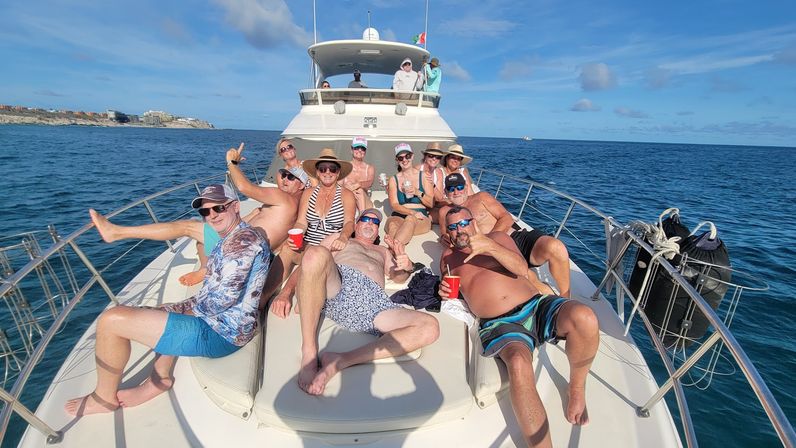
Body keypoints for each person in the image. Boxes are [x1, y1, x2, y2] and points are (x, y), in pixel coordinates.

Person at [65, 184, 271, 416]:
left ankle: (103, 399)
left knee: (112, 320)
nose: (212, 215)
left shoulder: (242, 244)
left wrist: (172, 312)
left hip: (223, 334)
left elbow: (222, 300)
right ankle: (159, 380)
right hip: (224, 322)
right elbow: (214, 297)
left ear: (235, 206)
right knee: (151, 313)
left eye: (219, 208)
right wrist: (170, 311)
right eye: (206, 211)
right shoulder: (234, 234)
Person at [439, 206, 598, 448]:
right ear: (448, 233)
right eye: (453, 226)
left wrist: (490, 248)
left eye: (464, 223)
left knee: (584, 317)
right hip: (500, 323)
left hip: (535, 304)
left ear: (474, 222)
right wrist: (443, 292)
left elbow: (522, 269)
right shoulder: (448, 259)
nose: (460, 229)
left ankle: (576, 389)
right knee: (518, 363)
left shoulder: (498, 239)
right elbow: (452, 291)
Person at [88, 145, 306, 288]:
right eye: (283, 174)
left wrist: (232, 163)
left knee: (187, 226)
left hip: (242, 246)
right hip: (247, 244)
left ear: (302, 185)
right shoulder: (294, 205)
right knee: (203, 236)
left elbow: (243, 186)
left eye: (291, 177)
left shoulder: (281, 198)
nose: (285, 179)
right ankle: (206, 268)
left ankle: (116, 232)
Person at [290, 208, 440, 395]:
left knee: (430, 327)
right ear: (356, 224)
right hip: (339, 285)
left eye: (375, 222)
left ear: (378, 231)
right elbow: (310, 262)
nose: (370, 223)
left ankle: (341, 361)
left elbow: (398, 276)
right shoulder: (343, 240)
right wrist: (285, 292)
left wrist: (406, 267)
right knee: (314, 253)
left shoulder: (383, 251)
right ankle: (309, 351)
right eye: (366, 219)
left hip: (374, 304)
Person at [439, 173, 571, 297]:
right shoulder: (445, 211)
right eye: (451, 189)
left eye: (459, 187)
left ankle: (566, 296)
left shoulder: (481, 197)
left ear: (466, 187)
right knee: (527, 276)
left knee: (555, 247)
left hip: (513, 238)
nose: (456, 192)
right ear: (446, 192)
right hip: (484, 253)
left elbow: (506, 218)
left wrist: (489, 241)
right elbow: (447, 235)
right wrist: (444, 238)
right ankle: (555, 303)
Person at [264, 148, 357, 303]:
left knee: (312, 256)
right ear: (317, 173)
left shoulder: (346, 195)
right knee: (287, 248)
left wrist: (343, 237)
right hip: (309, 244)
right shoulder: (308, 194)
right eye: (323, 169)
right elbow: (301, 221)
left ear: (338, 172)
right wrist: (296, 234)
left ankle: (287, 293)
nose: (328, 172)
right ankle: (262, 300)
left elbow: (349, 223)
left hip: (331, 248)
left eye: (332, 169)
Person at [385, 143, 433, 245]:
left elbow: (431, 203)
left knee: (410, 220)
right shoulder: (394, 179)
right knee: (393, 225)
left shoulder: (424, 176)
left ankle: (393, 250)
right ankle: (396, 250)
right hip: (399, 214)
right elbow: (394, 205)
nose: (404, 160)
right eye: (400, 158)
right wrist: (412, 212)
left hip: (420, 216)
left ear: (412, 156)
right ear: (397, 160)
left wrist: (417, 192)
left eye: (407, 156)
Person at [340, 136, 375, 212]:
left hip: (365, 204)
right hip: (347, 201)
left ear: (365, 151)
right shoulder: (345, 167)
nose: (359, 150)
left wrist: (358, 184)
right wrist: (347, 187)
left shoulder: (369, 168)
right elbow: (339, 186)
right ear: (351, 149)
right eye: (356, 147)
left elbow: (370, 182)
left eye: (362, 148)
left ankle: (361, 217)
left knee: (359, 190)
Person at [418, 142, 446, 223]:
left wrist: (432, 184)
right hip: (420, 205)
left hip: (433, 206)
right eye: (431, 155)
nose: (434, 159)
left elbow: (439, 198)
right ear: (425, 156)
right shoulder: (417, 169)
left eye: (438, 157)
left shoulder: (438, 173)